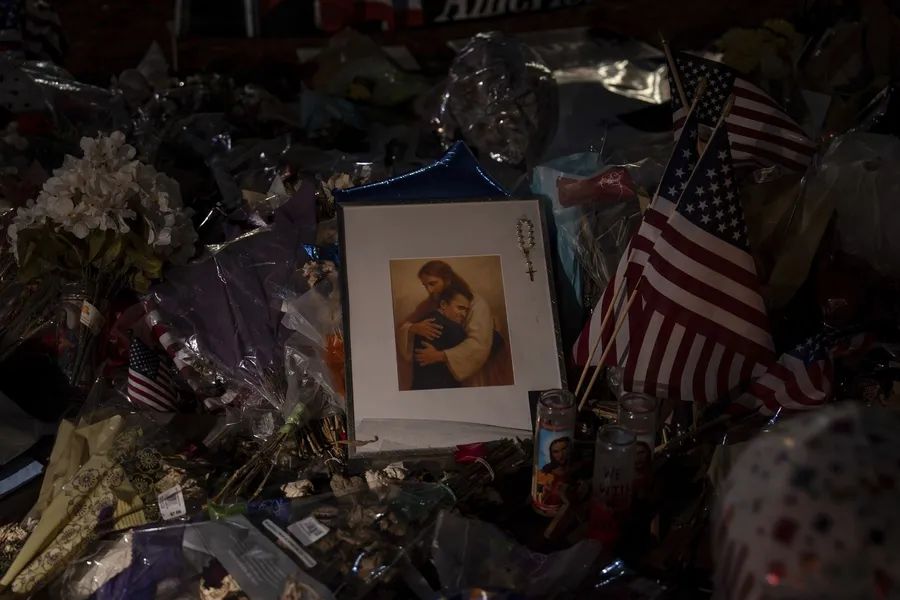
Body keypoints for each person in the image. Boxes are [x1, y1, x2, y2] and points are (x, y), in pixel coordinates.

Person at [396, 260, 513, 390]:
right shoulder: (430, 303)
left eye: (433, 283)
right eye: (426, 285)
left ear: (447, 280)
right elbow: (402, 328)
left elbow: (479, 345)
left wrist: (439, 356)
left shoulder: (476, 304)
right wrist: (413, 328)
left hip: (469, 374)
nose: (429, 290)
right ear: (443, 305)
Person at [410, 286, 471, 390]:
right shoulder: (452, 328)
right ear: (443, 305)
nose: (464, 314)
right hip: (442, 389)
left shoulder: (427, 319)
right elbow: (474, 351)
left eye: (466, 310)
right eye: (460, 308)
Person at [539, 436, 571, 506]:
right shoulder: (546, 470)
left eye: (564, 449)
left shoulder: (575, 470)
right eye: (556, 452)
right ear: (552, 454)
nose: (561, 455)